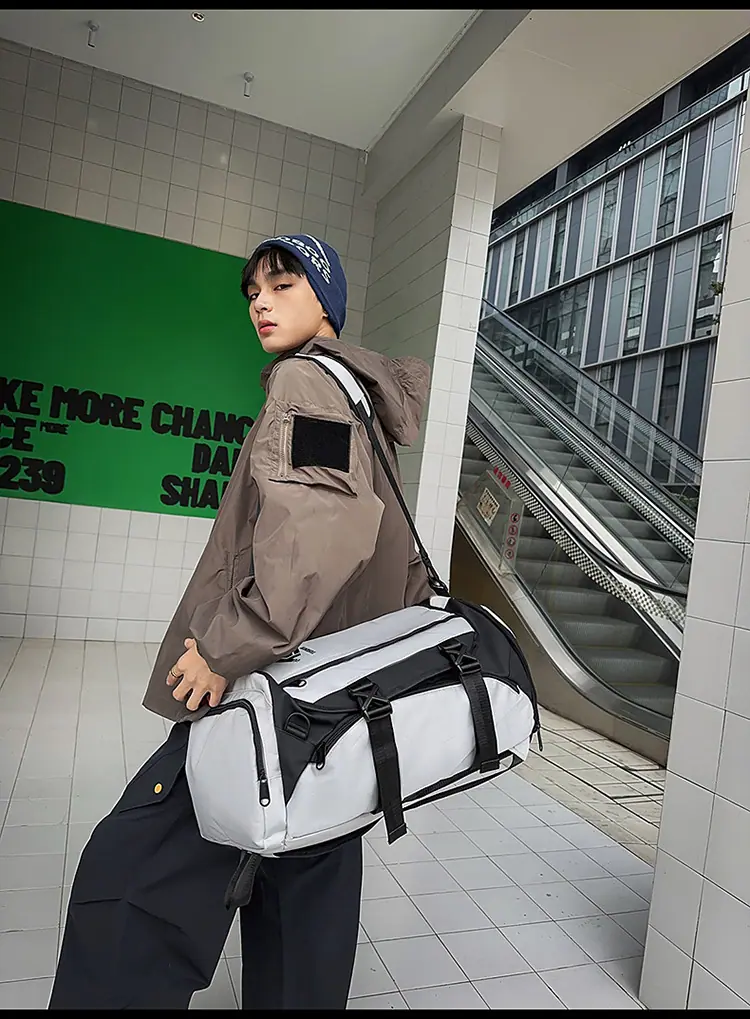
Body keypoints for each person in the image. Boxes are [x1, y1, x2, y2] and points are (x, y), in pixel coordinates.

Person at [49, 234, 432, 1010]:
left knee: (129, 877)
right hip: (334, 708)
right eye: (252, 290)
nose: (260, 301)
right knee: (306, 883)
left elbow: (319, 528)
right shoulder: (363, 403)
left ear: (327, 301)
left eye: (283, 284)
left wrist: (227, 645)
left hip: (266, 692)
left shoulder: (307, 380)